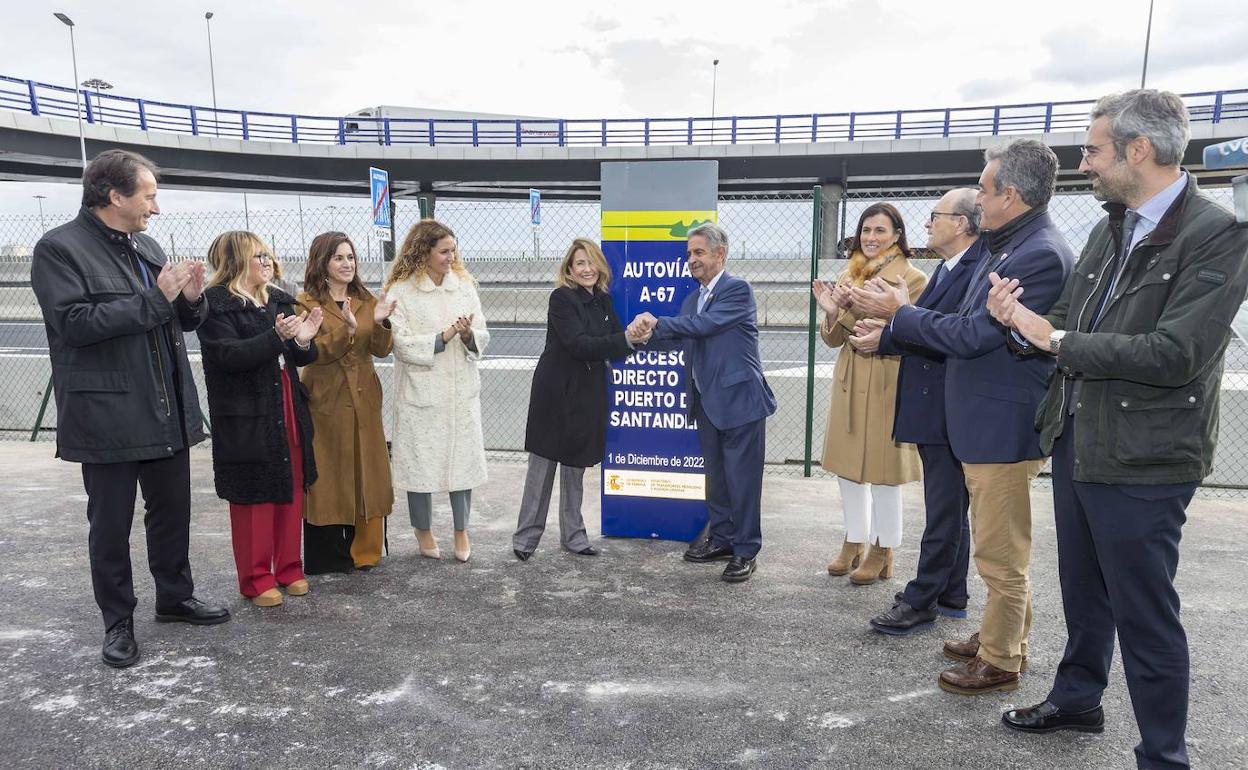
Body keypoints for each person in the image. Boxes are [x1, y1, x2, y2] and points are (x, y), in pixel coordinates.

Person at [988, 90, 1248, 770]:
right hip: (1081, 436)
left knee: (1143, 612)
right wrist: (1018, 323)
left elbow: (1176, 354)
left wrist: (1056, 339)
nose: (1084, 163)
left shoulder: (1217, 233)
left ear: (1139, 150)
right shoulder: (1111, 226)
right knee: (1083, 587)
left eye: (1094, 150)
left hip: (1147, 456)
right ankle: (1078, 698)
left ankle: (1163, 755)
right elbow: (1069, 318)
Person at [851, 138, 1073, 694]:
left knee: (1001, 552)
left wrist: (902, 315)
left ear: (1010, 194)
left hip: (1002, 424)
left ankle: (1000, 661)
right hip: (984, 419)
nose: (978, 196)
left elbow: (975, 334)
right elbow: (967, 324)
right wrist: (902, 322)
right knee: (996, 544)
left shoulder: (1037, 253)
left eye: (983, 186)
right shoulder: (1011, 246)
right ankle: (1003, 635)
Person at [30, 149, 230, 668]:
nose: (155, 208)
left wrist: (189, 298)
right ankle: (117, 620)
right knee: (111, 525)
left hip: (166, 408)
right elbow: (73, 324)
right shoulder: (58, 249)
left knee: (172, 513)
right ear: (114, 197)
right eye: (148, 196)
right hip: (109, 415)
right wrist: (157, 298)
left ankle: (174, 596)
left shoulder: (146, 244)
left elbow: (178, 322)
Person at [850, 189, 982, 633]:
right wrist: (883, 336)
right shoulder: (952, 268)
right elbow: (925, 328)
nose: (927, 224)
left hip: (947, 405)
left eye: (935, 216)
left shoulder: (971, 270)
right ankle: (952, 592)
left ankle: (922, 598)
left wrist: (897, 315)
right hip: (936, 404)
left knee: (943, 507)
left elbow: (948, 333)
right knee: (949, 506)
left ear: (962, 224)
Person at [629, 222, 777, 583]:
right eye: (688, 254)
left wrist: (657, 321)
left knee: (743, 481)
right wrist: (639, 337)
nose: (691, 260)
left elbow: (705, 326)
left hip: (741, 402)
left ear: (719, 254)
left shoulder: (737, 290)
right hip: (707, 404)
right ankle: (723, 539)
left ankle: (745, 550)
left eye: (698, 253)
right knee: (717, 480)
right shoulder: (692, 299)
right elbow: (683, 336)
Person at [199, 231, 322, 607]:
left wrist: (303, 340)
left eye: (268, 255)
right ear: (235, 262)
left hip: (286, 406)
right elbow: (228, 357)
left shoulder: (280, 300)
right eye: (257, 256)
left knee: (290, 488)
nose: (267, 262)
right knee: (255, 496)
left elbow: (301, 355)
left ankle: (289, 568)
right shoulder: (215, 306)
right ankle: (256, 578)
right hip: (248, 415)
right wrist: (275, 337)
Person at [811, 202, 926, 586]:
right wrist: (832, 310)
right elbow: (833, 339)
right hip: (850, 378)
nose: (871, 238)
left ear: (897, 235)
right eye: (865, 231)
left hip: (886, 380)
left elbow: (907, 331)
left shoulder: (912, 279)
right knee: (848, 468)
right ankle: (854, 539)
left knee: (883, 472)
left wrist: (861, 311)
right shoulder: (850, 274)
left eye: (880, 231)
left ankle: (883, 547)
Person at [513, 238, 634, 560]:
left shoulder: (604, 302)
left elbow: (617, 343)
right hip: (556, 392)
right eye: (580, 263)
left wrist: (633, 337)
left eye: (592, 262)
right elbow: (579, 344)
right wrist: (623, 339)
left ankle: (574, 536)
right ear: (569, 268)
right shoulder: (562, 298)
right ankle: (525, 539)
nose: (587, 269)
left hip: (587, 392)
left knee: (575, 466)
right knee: (542, 467)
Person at [387, 219, 489, 563]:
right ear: (424, 252)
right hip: (422, 394)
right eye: (444, 251)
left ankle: (462, 531)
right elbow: (398, 343)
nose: (451, 256)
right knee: (420, 467)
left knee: (463, 466)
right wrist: (441, 338)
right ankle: (423, 530)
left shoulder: (463, 286)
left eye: (453, 250)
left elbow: (483, 334)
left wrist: (467, 336)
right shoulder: (401, 292)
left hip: (460, 393)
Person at [297, 232, 397, 573]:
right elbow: (313, 351)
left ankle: (365, 550)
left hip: (364, 398)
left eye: (350, 257)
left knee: (367, 470)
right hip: (326, 397)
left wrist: (382, 321)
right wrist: (348, 332)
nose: (347, 264)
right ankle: (330, 554)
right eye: (339, 257)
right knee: (330, 473)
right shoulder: (307, 303)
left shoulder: (366, 299)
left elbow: (382, 349)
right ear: (323, 262)